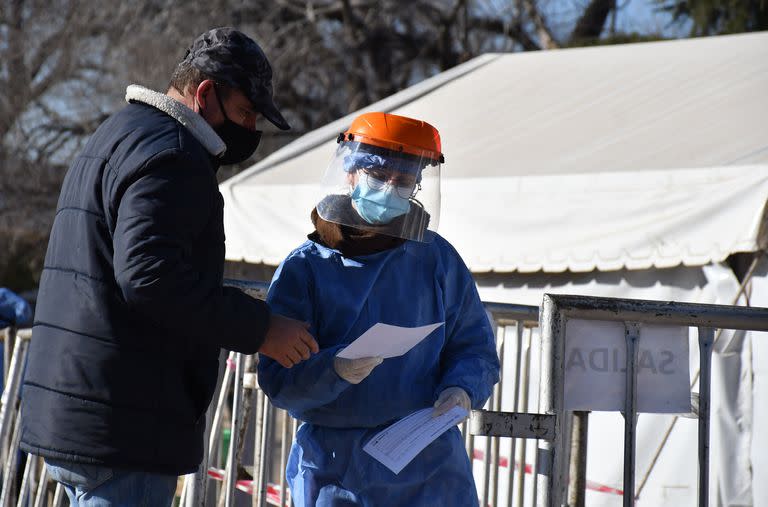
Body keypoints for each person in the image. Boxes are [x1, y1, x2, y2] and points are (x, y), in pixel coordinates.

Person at [19, 27, 318, 506]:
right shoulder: (175, 155)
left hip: (79, 410)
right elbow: (149, 277)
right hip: (124, 426)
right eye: (245, 112)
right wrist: (262, 328)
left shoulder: (118, 133)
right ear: (205, 94)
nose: (251, 130)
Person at [257, 112, 501, 506]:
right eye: (378, 175)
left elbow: (473, 346)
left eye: (403, 181)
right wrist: (332, 369)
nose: (390, 189)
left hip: (430, 464)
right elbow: (279, 378)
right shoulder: (307, 267)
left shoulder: (436, 259)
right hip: (337, 468)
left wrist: (461, 388)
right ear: (351, 174)